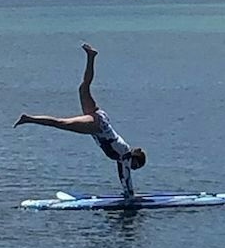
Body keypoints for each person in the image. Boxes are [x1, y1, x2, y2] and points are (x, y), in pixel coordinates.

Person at [15, 43, 148, 197]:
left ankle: (91, 57)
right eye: (136, 167)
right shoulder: (125, 155)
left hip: (100, 119)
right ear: (135, 161)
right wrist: (130, 195)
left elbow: (122, 173)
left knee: (83, 88)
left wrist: (126, 193)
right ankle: (29, 119)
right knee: (61, 123)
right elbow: (125, 176)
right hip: (97, 126)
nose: (133, 169)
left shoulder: (122, 155)